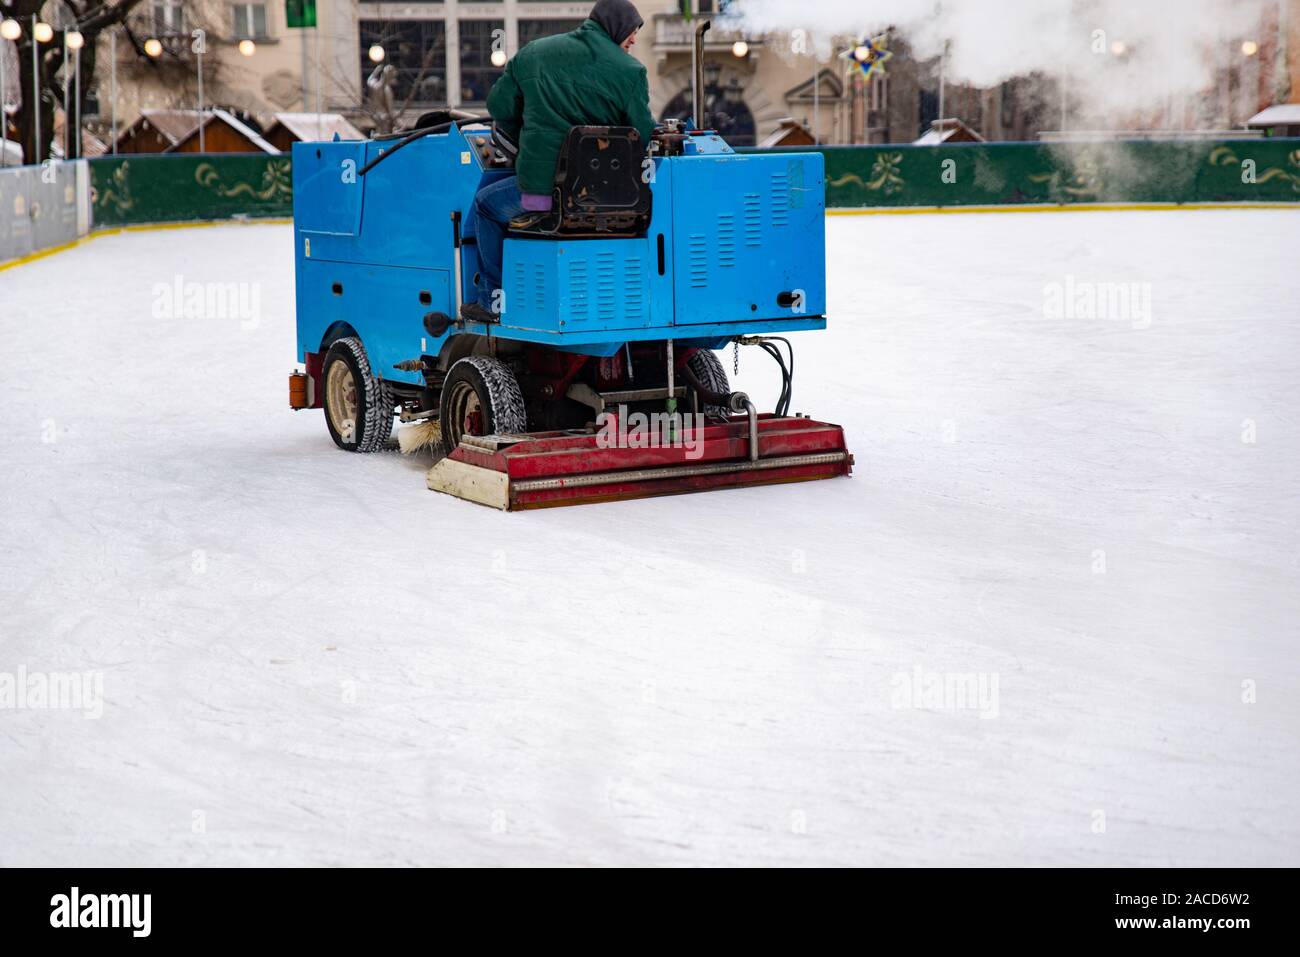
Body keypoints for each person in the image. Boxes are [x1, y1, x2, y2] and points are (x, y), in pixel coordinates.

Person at [464, 0, 656, 322]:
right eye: (632, 32)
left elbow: (499, 108)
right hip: (609, 202)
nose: (634, 40)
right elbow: (643, 134)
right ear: (615, 27)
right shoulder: (631, 72)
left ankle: (491, 301)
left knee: (485, 206)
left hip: (544, 195)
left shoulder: (534, 53)